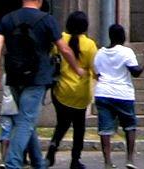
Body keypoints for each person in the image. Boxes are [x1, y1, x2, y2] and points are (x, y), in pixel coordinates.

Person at [0, 0, 62, 169]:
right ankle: (13, 163)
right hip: (37, 77)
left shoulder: (7, 19)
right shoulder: (47, 19)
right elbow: (64, 48)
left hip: (14, 75)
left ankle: (38, 162)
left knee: (25, 118)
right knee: (26, 120)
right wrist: (76, 67)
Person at [47, 10, 97, 169]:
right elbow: (95, 70)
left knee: (61, 124)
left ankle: (52, 148)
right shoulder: (90, 45)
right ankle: (75, 160)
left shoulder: (61, 39)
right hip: (80, 94)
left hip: (61, 91)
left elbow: (53, 56)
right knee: (79, 127)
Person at [91, 24, 144, 169]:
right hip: (123, 94)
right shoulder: (126, 52)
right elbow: (136, 72)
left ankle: (107, 161)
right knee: (129, 126)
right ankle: (130, 159)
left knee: (105, 129)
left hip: (103, 93)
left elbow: (97, 73)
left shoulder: (100, 53)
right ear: (123, 36)